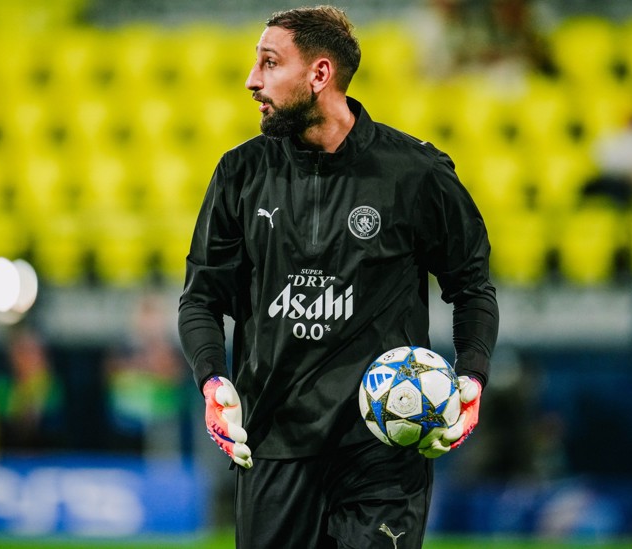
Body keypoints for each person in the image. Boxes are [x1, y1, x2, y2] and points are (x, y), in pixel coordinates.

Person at [177, 6, 499, 548]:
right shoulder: (240, 173)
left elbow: (472, 287)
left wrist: (472, 375)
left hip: (381, 452)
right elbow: (200, 300)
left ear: (319, 75)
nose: (252, 80)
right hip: (274, 444)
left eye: (270, 63)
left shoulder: (416, 173)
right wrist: (212, 379)